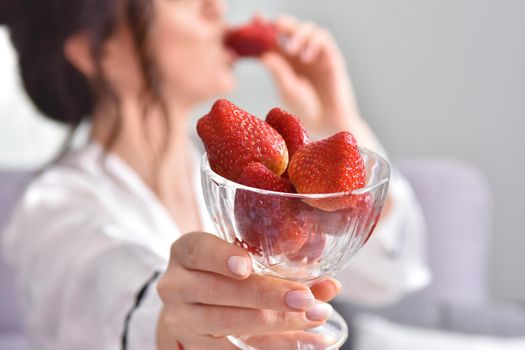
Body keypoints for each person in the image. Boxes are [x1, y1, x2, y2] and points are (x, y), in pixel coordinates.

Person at [1, 0, 430, 348]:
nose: (216, 6)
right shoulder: (54, 209)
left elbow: (387, 276)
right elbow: (115, 294)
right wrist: (174, 319)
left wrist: (339, 120)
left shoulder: (232, 179)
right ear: (97, 49)